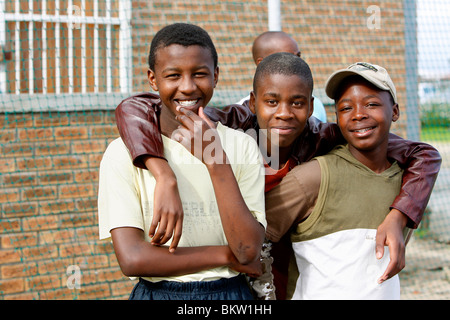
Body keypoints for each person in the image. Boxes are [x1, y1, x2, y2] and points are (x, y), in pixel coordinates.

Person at [114, 51, 441, 299]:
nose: (284, 112)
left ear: (310, 107)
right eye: (272, 101)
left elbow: (422, 153)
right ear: (254, 103)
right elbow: (136, 106)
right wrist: (163, 173)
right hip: (230, 268)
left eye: (296, 102)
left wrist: (399, 215)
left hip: (286, 262)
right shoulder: (229, 126)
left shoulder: (324, 135)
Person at [98, 23, 266, 300]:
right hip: (157, 292)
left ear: (215, 75)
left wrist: (216, 162)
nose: (187, 87)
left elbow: (248, 250)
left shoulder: (242, 145)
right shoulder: (122, 154)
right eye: (173, 75)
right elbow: (132, 258)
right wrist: (226, 254)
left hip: (230, 294)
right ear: (153, 80)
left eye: (199, 74)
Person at [264, 62, 439, 299]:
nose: (358, 114)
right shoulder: (313, 177)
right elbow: (254, 237)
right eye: (346, 108)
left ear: (395, 111)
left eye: (372, 104)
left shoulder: (407, 182)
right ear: (336, 117)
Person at [237, 31, 328, 122]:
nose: (296, 62)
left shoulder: (315, 104)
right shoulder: (239, 116)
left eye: (298, 56)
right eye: (271, 102)